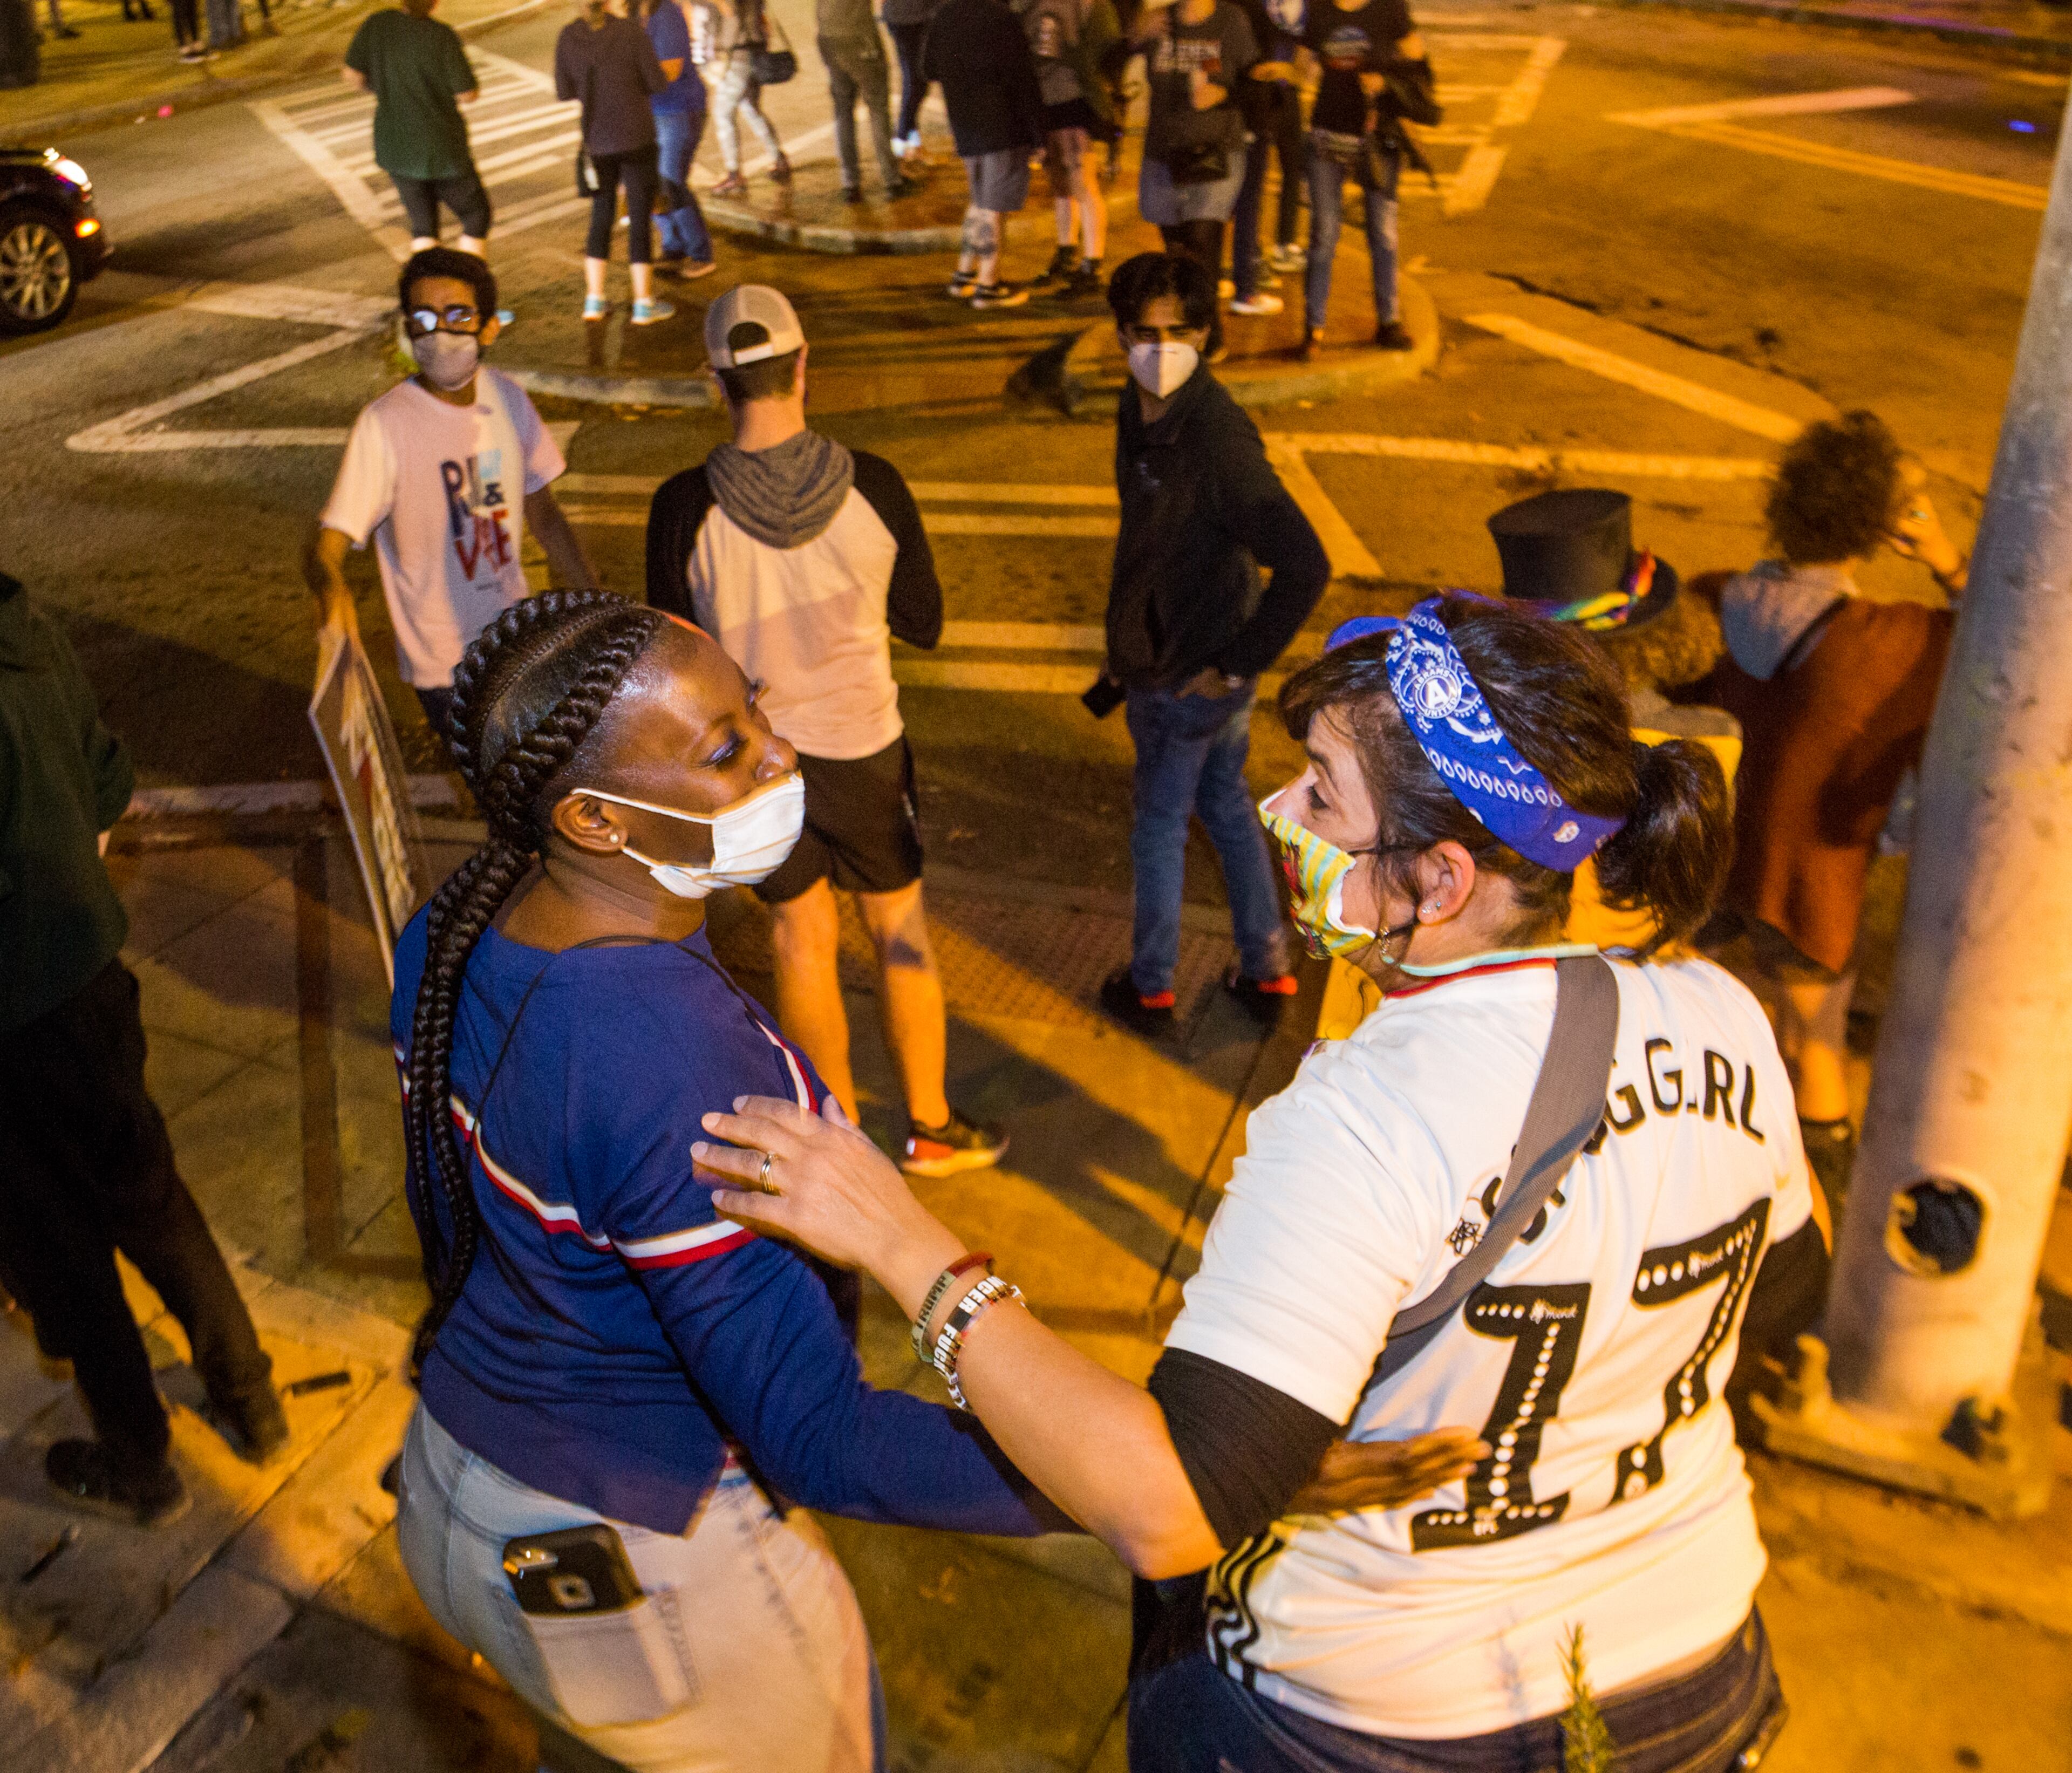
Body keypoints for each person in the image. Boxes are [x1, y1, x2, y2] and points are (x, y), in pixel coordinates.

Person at [698, 592, 1832, 1773]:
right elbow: (1785, 1291)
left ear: (1443, 879)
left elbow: (1164, 1505)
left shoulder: (1367, 1114)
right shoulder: (1719, 1011)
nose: (1277, 810)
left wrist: (904, 1244)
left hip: (1374, 1716)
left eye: (1324, 793)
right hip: (1698, 1667)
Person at [389, 592, 1070, 1770]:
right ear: (597, 817)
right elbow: (821, 1434)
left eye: (752, 708)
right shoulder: (667, 1056)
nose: (781, 751)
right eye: (726, 751)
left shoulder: (458, 921)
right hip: (640, 1559)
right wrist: (1126, 1478)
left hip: (461, 1491)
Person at [645, 287, 1007, 1177]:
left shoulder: (684, 506)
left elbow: (673, 653)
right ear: (804, 367)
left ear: (715, 382)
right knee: (900, 929)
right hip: (866, 752)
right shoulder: (873, 485)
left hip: (758, 767)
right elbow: (924, 618)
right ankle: (927, 1125)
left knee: (799, 940)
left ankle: (835, 1145)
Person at [0, 573, 286, 1528]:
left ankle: (139, 1460)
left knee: (67, 1255)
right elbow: (104, 784)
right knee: (152, 1197)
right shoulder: (24, 626)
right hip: (93, 987)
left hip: (14, 1025)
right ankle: (250, 1398)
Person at [1692, 411, 1966, 1217]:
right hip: (1812, 890)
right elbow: (2016, 638)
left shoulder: (1718, 597)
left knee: (1730, 1041)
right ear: (1876, 528)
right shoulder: (1883, 641)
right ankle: (1818, 1227)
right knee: (1818, 1047)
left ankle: (1716, 1203)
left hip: (1714, 871)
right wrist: (1946, 558)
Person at [1092, 253, 1328, 1036]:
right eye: (1143, 331)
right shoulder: (1141, 405)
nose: (1161, 347)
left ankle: (1152, 984)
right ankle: (1267, 968)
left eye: (1181, 330)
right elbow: (1148, 540)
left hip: (1192, 674)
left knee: (1159, 822)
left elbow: (1304, 563)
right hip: (1172, 659)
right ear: (1122, 334)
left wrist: (1232, 663)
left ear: (1208, 332)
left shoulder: (1219, 439)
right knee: (1224, 805)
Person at [310, 248, 597, 744]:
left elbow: (546, 517)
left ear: (489, 327)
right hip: (446, 668)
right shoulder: (385, 425)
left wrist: (598, 602)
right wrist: (332, 588)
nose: (440, 332)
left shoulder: (509, 401)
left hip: (515, 640)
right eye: (424, 318)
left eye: (457, 315)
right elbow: (330, 540)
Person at [1255, 0, 1430, 357]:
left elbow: (1418, 64)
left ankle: (1389, 322)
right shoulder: (1320, 10)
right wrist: (1278, 70)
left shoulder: (1390, 8)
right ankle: (1314, 329)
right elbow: (1303, 70)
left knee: (1382, 232)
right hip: (1327, 135)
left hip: (1378, 136)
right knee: (1324, 234)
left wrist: (1388, 82)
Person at [1130, 0, 1260, 360]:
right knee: (1176, 250)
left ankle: (1208, 332)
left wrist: (1224, 93)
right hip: (1164, 153)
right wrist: (1136, 29)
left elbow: (1257, 86)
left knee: (1202, 244)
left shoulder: (1231, 21)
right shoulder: (1160, 21)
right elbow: (1110, 54)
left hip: (1216, 154)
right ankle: (1184, 322)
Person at [557, 0, 676, 325]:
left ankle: (594, 301)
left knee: (601, 217)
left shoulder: (567, 37)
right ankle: (643, 304)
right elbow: (656, 82)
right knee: (639, 217)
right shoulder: (629, 32)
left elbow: (564, 90)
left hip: (597, 141)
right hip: (637, 136)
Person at [344, 0, 492, 257]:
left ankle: (425, 290)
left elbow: (353, 76)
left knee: (423, 225)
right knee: (475, 215)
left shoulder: (378, 24)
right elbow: (467, 93)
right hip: (442, 146)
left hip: (396, 147)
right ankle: (468, 282)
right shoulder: (441, 36)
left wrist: (383, 87)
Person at [923, 0, 1045, 308]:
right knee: (994, 207)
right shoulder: (1001, 18)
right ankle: (988, 285)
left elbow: (927, 68)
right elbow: (1023, 79)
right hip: (1002, 124)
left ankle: (964, 275)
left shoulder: (944, 14)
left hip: (965, 123)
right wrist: (1038, 135)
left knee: (979, 201)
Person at [1014, 0, 1119, 297]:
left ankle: (1092, 264)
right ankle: (1065, 254)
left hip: (1074, 97)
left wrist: (1080, 60)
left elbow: (1107, 39)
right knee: (1059, 184)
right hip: (1041, 99)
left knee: (1082, 181)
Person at [1225, 0, 1302, 314]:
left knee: (1231, 196)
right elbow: (1255, 64)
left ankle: (1233, 272)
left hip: (1241, 110)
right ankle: (1246, 289)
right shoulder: (1250, 12)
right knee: (1246, 199)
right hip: (1250, 111)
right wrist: (1279, 69)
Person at [643, 0, 718, 278]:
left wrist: (628, 82)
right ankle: (673, 246)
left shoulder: (665, 13)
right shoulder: (632, 16)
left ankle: (701, 253)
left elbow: (671, 69)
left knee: (671, 179)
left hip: (679, 109)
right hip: (649, 111)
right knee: (651, 181)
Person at [818, 0, 917, 201]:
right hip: (858, 37)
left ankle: (850, 184)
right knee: (878, 107)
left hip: (828, 35)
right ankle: (892, 180)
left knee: (843, 110)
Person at [693, 0, 791, 195]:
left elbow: (729, 9)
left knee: (723, 114)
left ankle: (734, 175)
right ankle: (779, 159)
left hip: (737, 55)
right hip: (752, 52)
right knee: (751, 109)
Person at [883, 0, 941, 160]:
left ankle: (912, 143)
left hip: (903, 17)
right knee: (917, 82)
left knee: (915, 80)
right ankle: (901, 141)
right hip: (914, 18)